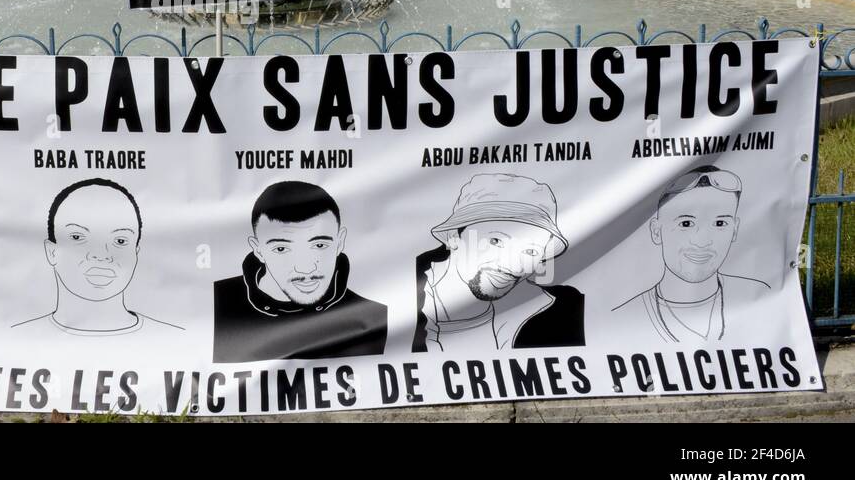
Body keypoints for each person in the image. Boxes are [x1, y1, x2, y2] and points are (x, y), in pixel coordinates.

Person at [213, 181, 388, 362]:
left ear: (340, 242)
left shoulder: (375, 317)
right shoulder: (214, 305)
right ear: (258, 250)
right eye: (281, 249)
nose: (305, 268)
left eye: (320, 245)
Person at [413, 173, 584, 352]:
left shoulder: (558, 315)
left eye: (530, 251)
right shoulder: (393, 304)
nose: (512, 265)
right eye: (495, 241)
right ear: (454, 237)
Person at [612, 166, 768, 342]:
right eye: (686, 223)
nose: (702, 241)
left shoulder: (764, 297)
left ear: (734, 229)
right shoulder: (623, 319)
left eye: (719, 223)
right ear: (656, 231)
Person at [13, 178, 181, 339]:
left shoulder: (178, 341)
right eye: (78, 237)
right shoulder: (9, 340)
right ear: (52, 252)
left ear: (136, 251)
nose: (101, 255)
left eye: (120, 240)